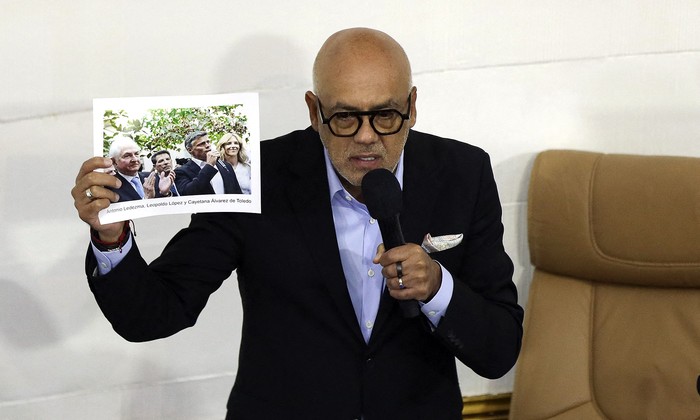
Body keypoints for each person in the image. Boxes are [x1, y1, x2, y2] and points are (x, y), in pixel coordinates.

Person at [71, 28, 523, 419]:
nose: (367, 137)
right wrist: (111, 236)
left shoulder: (464, 172)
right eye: (345, 117)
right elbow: (154, 315)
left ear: (412, 106)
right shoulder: (256, 180)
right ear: (314, 111)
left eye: (385, 115)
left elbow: (499, 349)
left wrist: (438, 288)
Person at [175, 131, 243, 195]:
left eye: (208, 142)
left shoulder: (225, 165)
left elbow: (237, 191)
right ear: (190, 149)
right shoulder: (181, 171)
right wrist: (209, 166)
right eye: (202, 144)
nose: (207, 145)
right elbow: (188, 192)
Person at [106, 136, 149, 202]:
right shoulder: (110, 186)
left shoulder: (150, 177)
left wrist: (166, 193)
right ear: (114, 161)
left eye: (136, 154)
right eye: (127, 156)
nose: (135, 159)